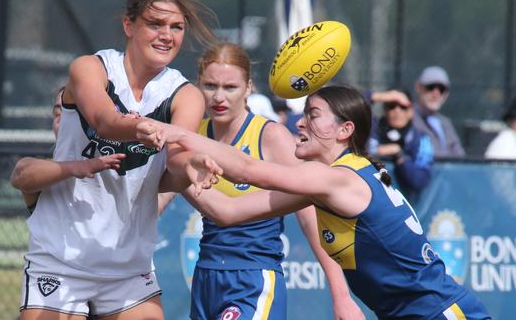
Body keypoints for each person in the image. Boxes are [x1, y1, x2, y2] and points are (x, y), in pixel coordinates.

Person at [137, 84, 491, 320]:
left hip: (439, 313)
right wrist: (177, 165)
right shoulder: (325, 183)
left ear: (344, 130)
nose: (300, 123)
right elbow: (229, 212)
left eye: (312, 115)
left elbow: (245, 169)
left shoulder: (338, 178)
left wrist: (180, 133)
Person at [18, 0, 216, 320]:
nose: (166, 35)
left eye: (176, 27)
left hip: (128, 267)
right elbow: (104, 119)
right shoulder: (90, 68)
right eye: (155, 24)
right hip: (62, 258)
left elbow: (174, 166)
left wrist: (190, 166)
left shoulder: (185, 95)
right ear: (129, 25)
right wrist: (138, 126)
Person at [181, 43, 362, 320]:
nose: (219, 96)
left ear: (248, 88)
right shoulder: (195, 134)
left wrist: (341, 295)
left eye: (230, 87)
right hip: (205, 277)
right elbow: (164, 188)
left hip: (253, 280)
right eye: (210, 85)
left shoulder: (270, 136)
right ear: (198, 85)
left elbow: (309, 214)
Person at [10, 87, 126, 214]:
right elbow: (20, 174)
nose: (62, 119)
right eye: (58, 114)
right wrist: (77, 167)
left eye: (73, 114)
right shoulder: (47, 172)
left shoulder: (127, 169)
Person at [368, 89, 434, 203]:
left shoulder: (421, 139)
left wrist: (400, 155)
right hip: (371, 200)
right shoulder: (372, 129)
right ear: (385, 109)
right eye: (392, 105)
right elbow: (351, 102)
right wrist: (380, 96)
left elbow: (420, 180)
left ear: (411, 111)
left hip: (404, 204)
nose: (397, 111)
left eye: (403, 107)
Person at [412, 66, 465, 157]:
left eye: (441, 89)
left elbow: (460, 158)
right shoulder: (408, 118)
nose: (436, 94)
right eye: (430, 87)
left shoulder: (445, 123)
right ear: (418, 87)